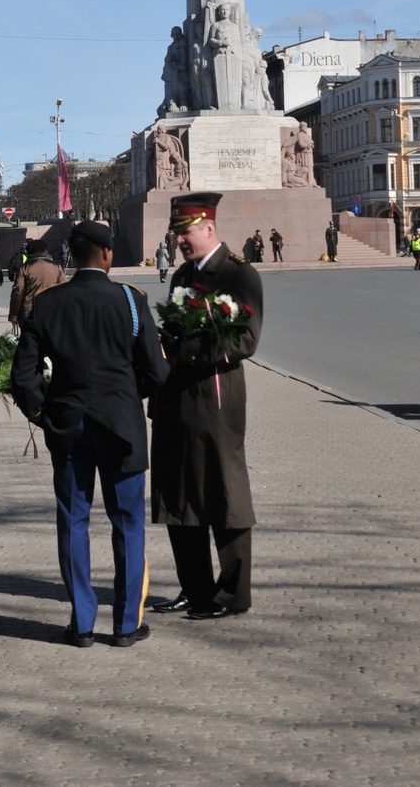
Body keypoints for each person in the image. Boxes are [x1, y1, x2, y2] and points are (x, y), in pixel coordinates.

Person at [12, 220, 168, 647]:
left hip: (69, 428)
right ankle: (126, 625)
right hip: (121, 427)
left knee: (73, 521)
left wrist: (43, 411)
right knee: (128, 524)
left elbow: (22, 374)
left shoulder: (47, 305)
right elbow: (156, 370)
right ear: (106, 254)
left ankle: (81, 624)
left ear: (72, 257)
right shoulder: (132, 301)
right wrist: (130, 395)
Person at [151, 192, 262, 621]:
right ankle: (194, 588)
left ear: (209, 228)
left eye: (186, 232)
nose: (180, 240)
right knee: (180, 491)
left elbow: (245, 339)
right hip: (176, 397)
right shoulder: (181, 276)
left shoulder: (238, 274)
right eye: (177, 233)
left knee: (223, 490)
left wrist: (187, 352)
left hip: (215, 395)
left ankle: (233, 593)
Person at [8, 235, 65, 330]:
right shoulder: (56, 267)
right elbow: (63, 290)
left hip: (30, 312)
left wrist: (13, 315)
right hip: (51, 312)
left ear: (30, 253)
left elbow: (18, 290)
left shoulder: (25, 268)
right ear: (44, 251)